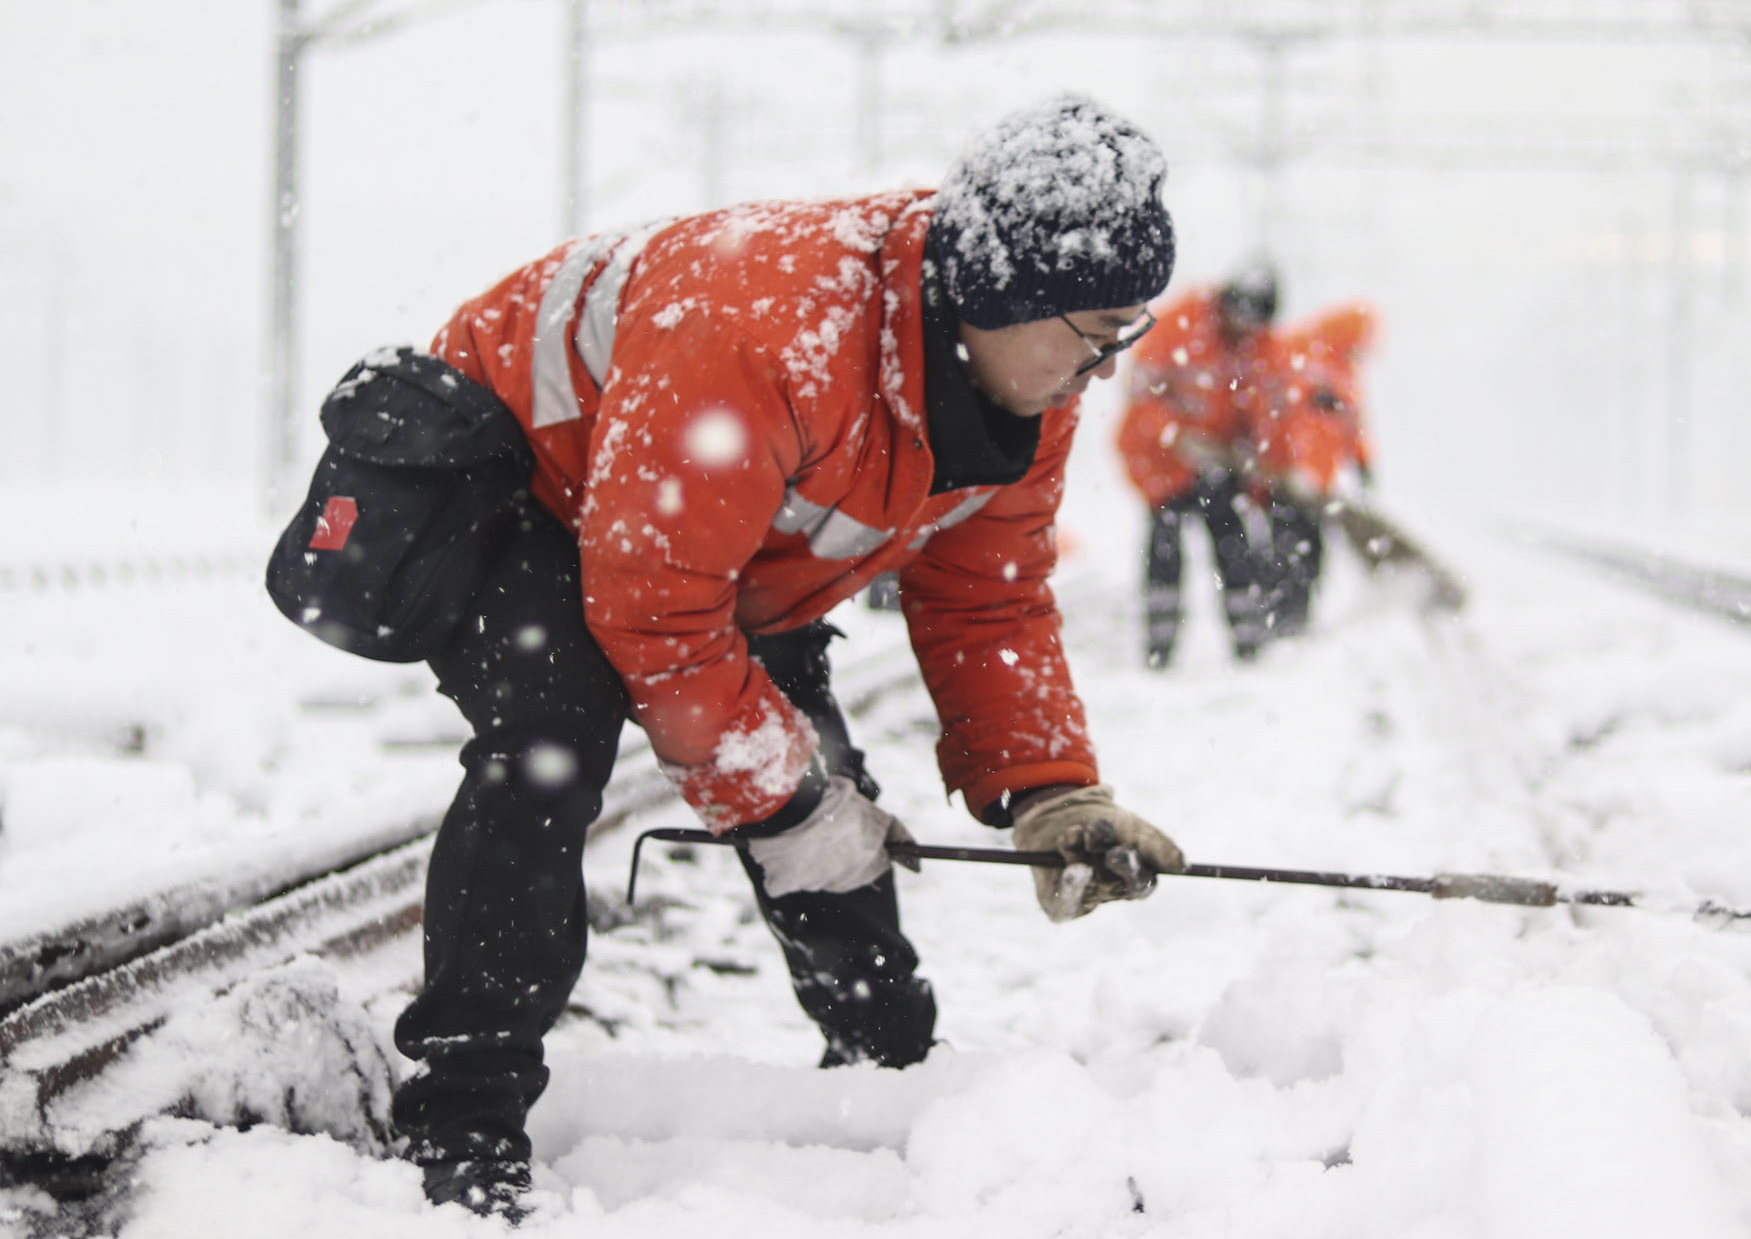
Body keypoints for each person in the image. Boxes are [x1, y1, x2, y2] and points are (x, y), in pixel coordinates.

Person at [265, 95, 1189, 1218]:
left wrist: (1054, 794)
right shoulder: (766, 332)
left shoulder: (1023, 388)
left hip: (727, 528)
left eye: (1128, 337)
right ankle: (464, 1116)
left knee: (815, 776)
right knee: (555, 740)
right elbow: (658, 620)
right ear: (998, 296)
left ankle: (890, 1064)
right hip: (530, 490)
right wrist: (786, 802)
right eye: (1097, 337)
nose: (1105, 371)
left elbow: (986, 601)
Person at [1115, 257, 1280, 668]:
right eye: (1239, 315)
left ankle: (1249, 644)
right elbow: (1141, 397)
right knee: (1164, 552)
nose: (1244, 328)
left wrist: (1258, 456)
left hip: (1221, 469)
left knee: (1235, 548)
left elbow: (1265, 407)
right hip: (1165, 464)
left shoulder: (1260, 346)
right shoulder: (1177, 325)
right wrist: (1180, 437)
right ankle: (1159, 649)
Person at [1249, 301, 1380, 637]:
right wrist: (1298, 469)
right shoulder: (1306, 361)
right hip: (1288, 480)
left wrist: (1362, 459)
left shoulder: (1342, 369)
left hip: (1313, 483)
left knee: (1310, 549)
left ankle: (1296, 618)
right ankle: (1281, 621)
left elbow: (1352, 421)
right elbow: (1295, 420)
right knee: (1289, 548)